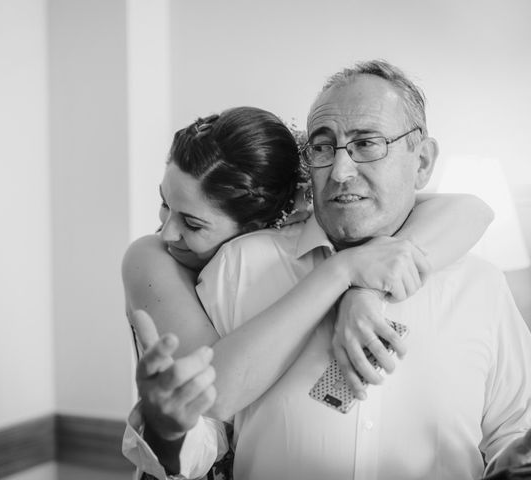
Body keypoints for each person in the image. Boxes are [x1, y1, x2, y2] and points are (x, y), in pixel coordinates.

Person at [127, 60, 531, 480]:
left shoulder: (480, 286)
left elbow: (512, 428)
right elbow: (208, 432)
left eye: (367, 144)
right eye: (322, 147)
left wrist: (510, 465)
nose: (340, 171)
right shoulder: (239, 266)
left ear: (423, 162)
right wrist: (168, 432)